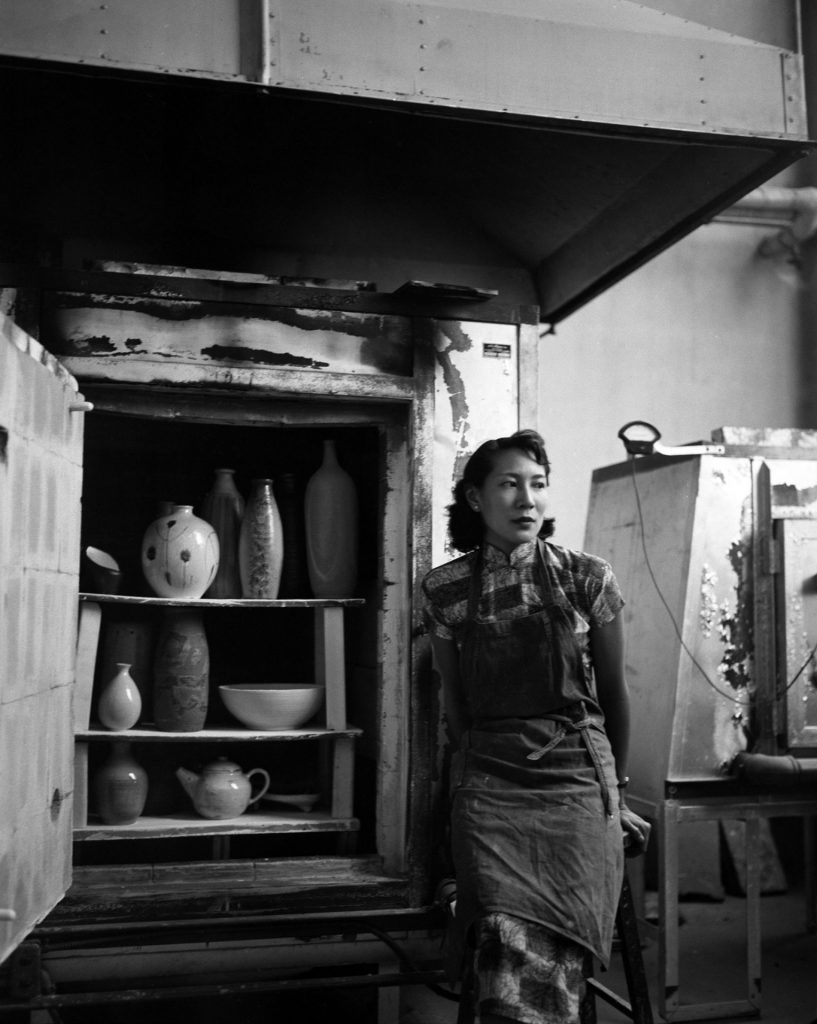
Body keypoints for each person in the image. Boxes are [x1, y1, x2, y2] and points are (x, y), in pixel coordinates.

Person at [422, 429, 650, 1024]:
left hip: (576, 773)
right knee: (497, 922)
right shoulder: (444, 590)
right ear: (476, 499)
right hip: (492, 780)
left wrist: (616, 792)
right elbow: (456, 706)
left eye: (538, 484)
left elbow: (616, 695)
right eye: (509, 484)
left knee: (561, 929)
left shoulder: (586, 578)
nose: (527, 499)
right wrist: (461, 790)